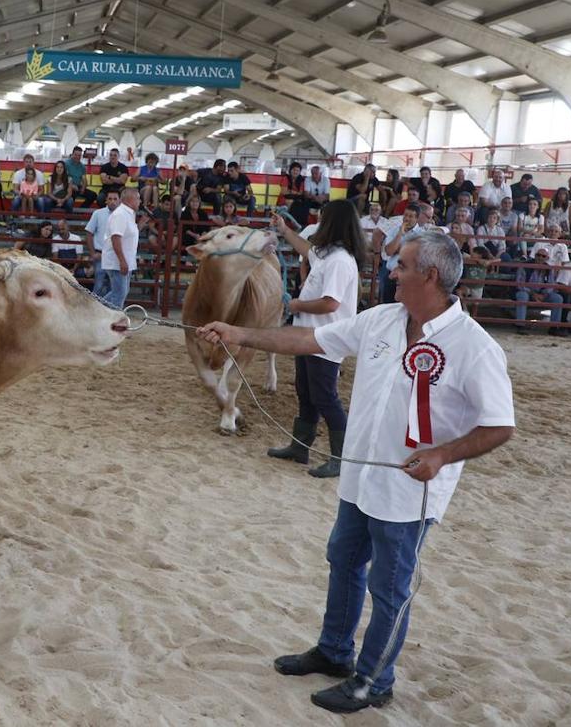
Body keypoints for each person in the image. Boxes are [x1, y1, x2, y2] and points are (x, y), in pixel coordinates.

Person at [196, 229, 515, 715]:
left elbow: (499, 425)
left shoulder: (474, 346)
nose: (391, 271)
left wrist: (442, 456)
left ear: (429, 276)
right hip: (361, 479)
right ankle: (334, 651)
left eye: (402, 266)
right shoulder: (382, 319)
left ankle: (373, 679)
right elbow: (309, 338)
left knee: (389, 589)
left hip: (410, 493)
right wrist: (241, 334)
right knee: (343, 559)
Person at [268, 200, 367, 478]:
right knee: (306, 392)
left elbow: (330, 304)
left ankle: (340, 458)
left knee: (325, 397)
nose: (319, 224)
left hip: (326, 337)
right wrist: (285, 230)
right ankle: (300, 447)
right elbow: (308, 251)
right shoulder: (328, 255)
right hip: (309, 335)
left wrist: (297, 305)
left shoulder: (339, 261)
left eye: (323, 220)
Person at [99, 188, 141, 309]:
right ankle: (113, 322)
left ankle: (95, 309)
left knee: (120, 292)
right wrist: (122, 261)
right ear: (130, 199)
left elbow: (127, 236)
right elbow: (116, 238)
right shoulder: (121, 214)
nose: (139, 201)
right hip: (118, 262)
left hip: (124, 261)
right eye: (138, 198)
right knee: (119, 294)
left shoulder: (127, 214)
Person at [515, 247, 565, 334]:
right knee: (522, 296)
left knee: (558, 298)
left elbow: (551, 285)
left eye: (543, 256)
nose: (540, 257)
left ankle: (554, 327)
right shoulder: (525, 266)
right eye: (538, 255)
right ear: (535, 256)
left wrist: (543, 295)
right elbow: (520, 284)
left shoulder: (549, 269)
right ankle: (520, 325)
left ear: (547, 258)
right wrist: (533, 294)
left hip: (542, 295)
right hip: (528, 293)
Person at [84, 190, 120, 294]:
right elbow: (89, 233)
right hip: (100, 254)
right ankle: (95, 308)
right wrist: (92, 253)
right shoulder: (98, 213)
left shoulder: (123, 215)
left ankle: (109, 309)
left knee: (113, 286)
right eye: (110, 199)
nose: (112, 201)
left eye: (115, 199)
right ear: (106, 201)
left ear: (119, 201)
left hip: (115, 255)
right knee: (99, 284)